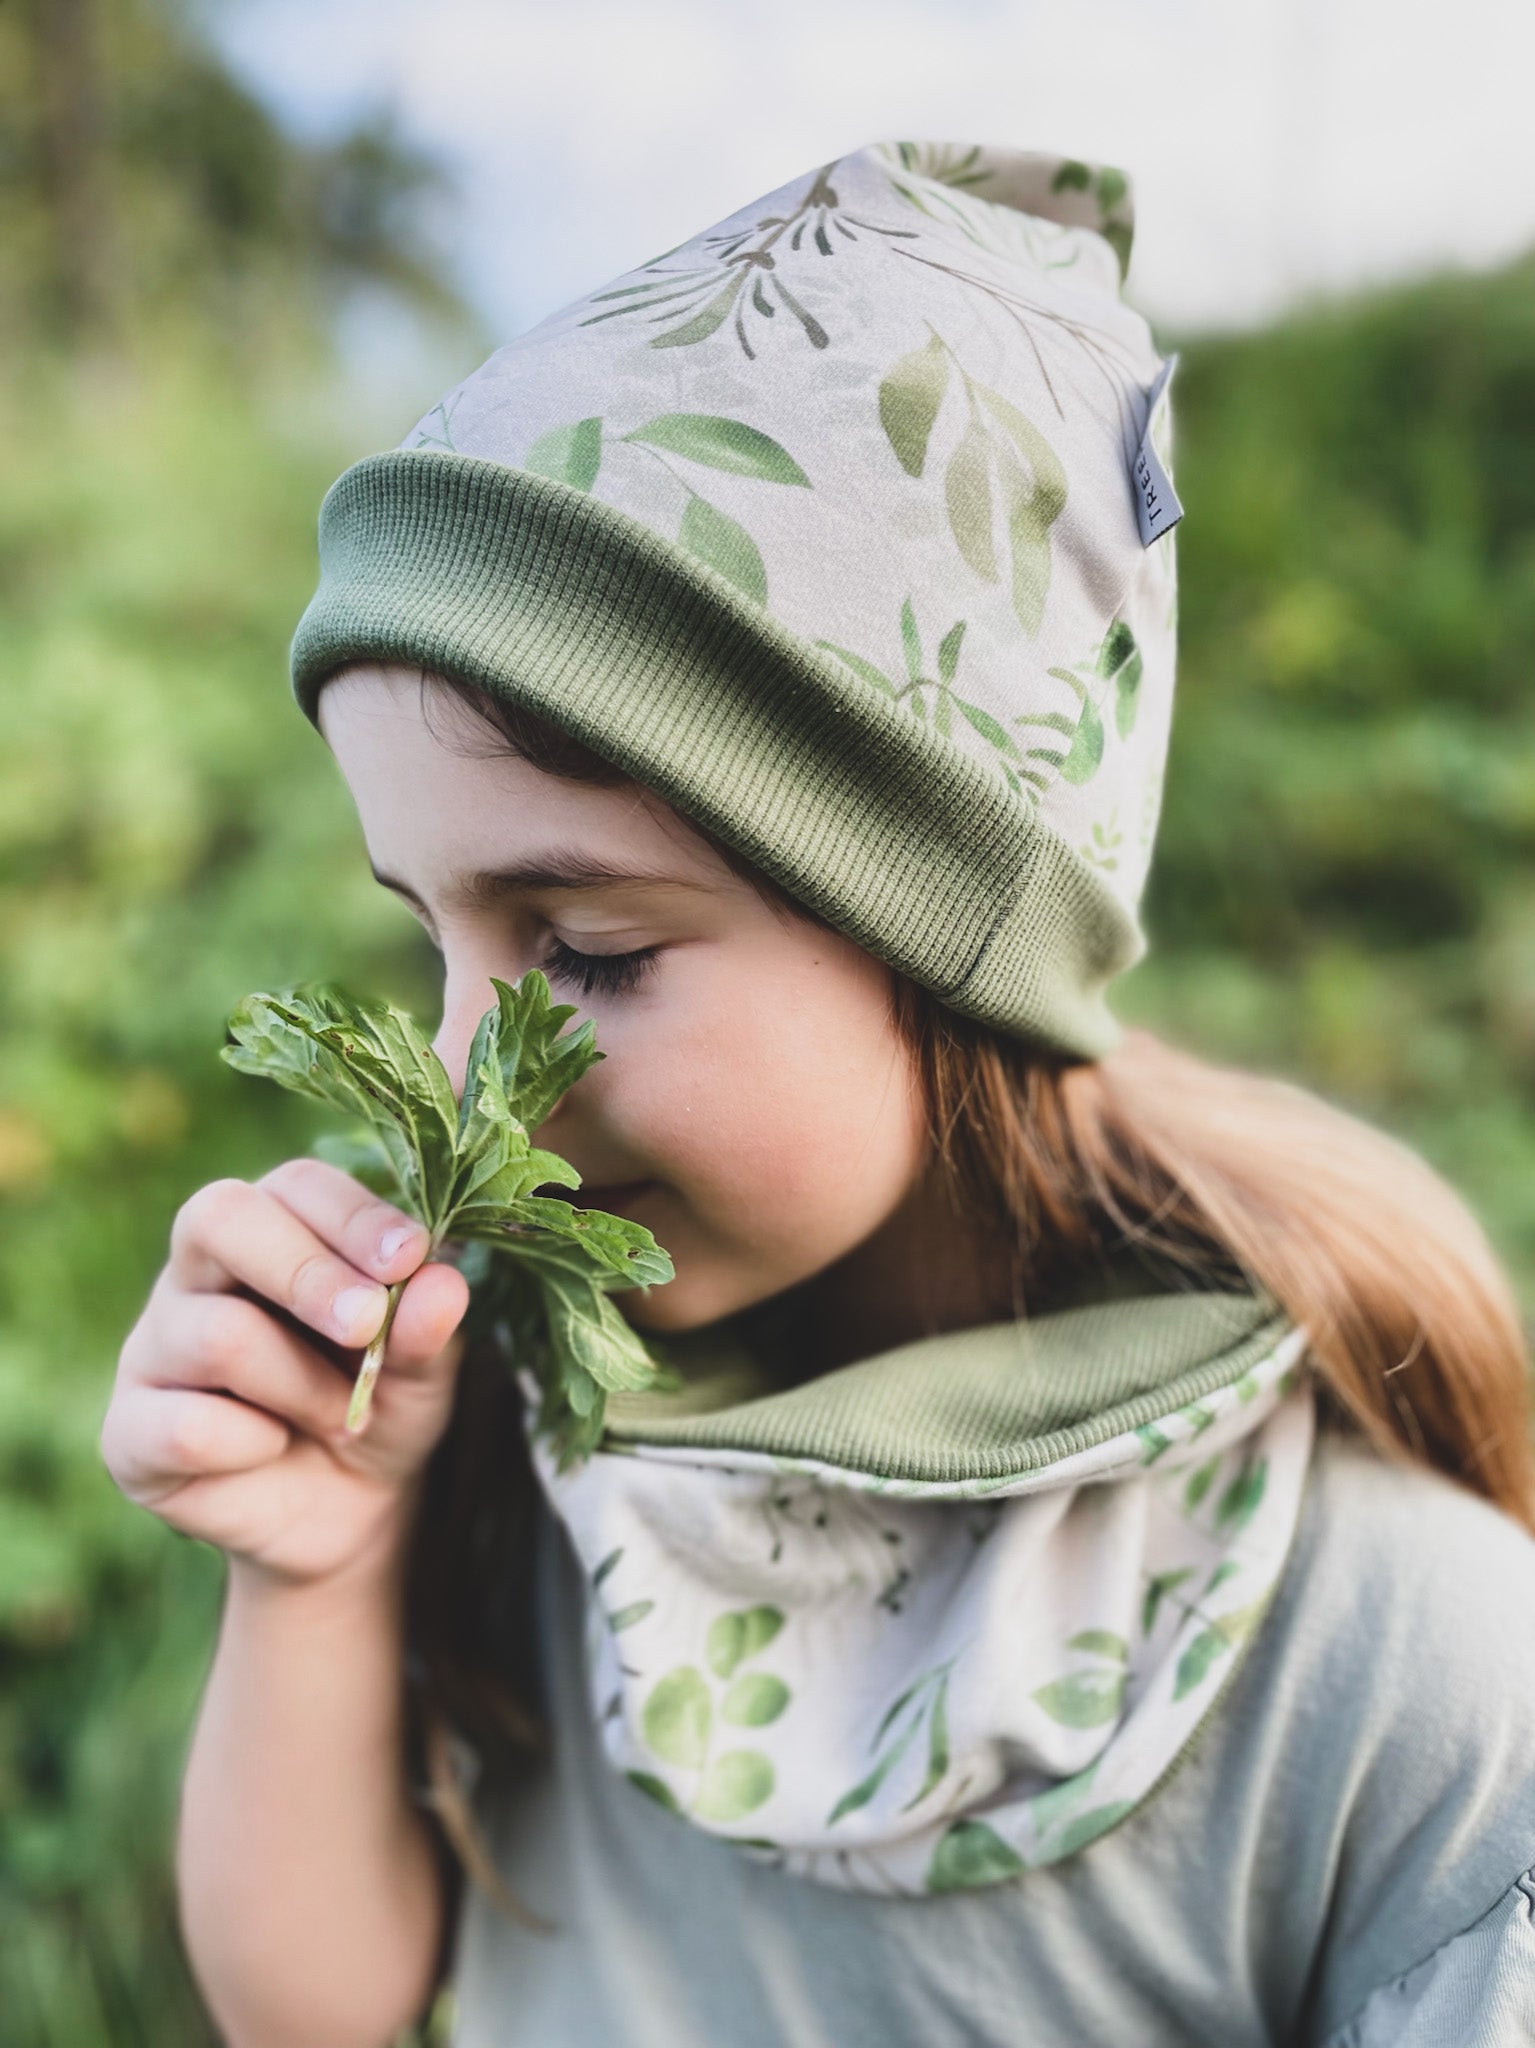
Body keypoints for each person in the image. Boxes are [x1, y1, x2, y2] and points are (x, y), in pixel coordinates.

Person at [101, 139, 1535, 2048]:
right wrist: (322, 1557)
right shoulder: (544, 1435)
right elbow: (320, 2007)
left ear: (949, 943)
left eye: (587, 947)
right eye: (426, 941)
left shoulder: (1403, 1661)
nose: (462, 1082)